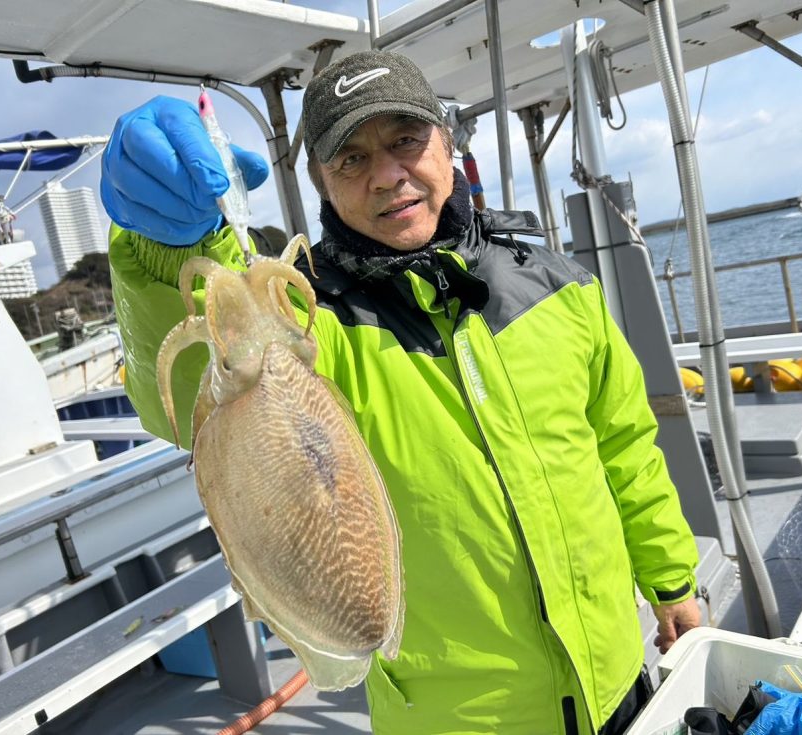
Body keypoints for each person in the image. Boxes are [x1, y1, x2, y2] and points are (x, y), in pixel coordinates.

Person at [103, 49, 700, 735]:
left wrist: (673, 580)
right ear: (324, 182)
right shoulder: (310, 324)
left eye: (404, 140)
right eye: (352, 159)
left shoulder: (558, 285)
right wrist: (163, 252)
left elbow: (624, 451)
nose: (388, 175)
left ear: (446, 141)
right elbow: (186, 392)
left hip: (615, 679)